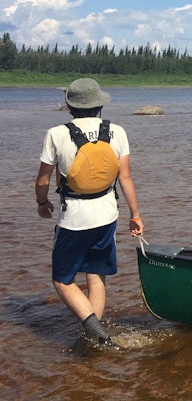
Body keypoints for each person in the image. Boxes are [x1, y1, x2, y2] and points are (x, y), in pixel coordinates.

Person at [35, 78, 144, 345]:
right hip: (107, 214)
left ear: (70, 105)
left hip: (74, 218)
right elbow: (125, 179)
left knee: (62, 280)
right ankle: (95, 335)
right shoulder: (117, 131)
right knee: (96, 275)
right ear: (99, 105)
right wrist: (135, 215)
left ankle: (94, 331)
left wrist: (42, 203)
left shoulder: (56, 133)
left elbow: (43, 180)